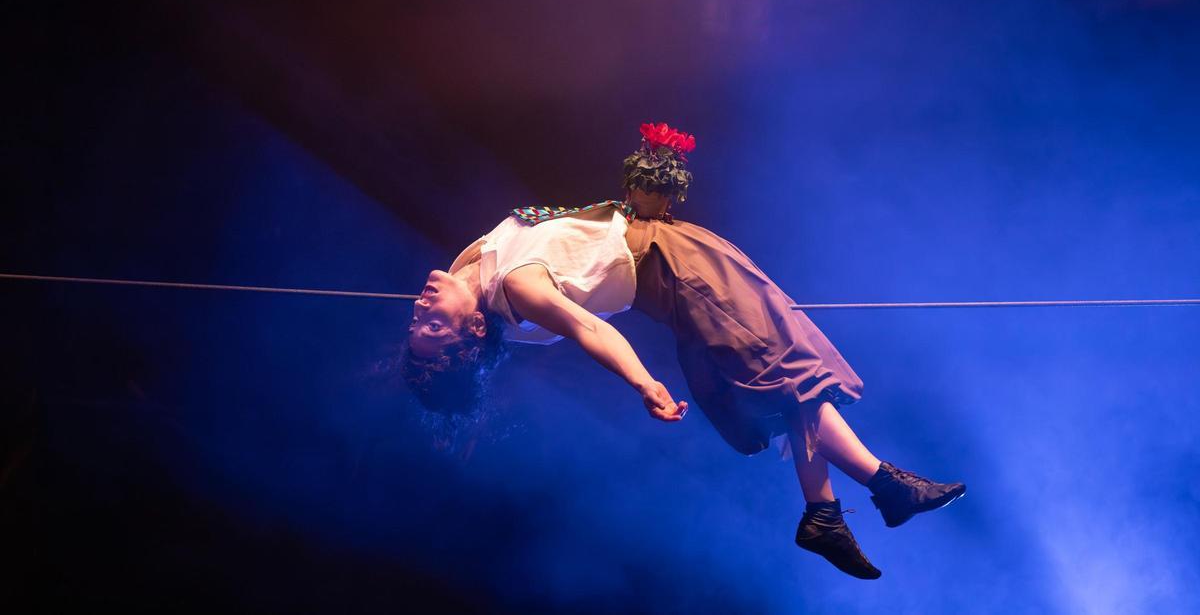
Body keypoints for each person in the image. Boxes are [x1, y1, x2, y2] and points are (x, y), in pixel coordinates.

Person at [402, 123, 965, 579]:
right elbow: (590, 330)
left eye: (416, 322)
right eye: (431, 327)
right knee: (791, 370)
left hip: (675, 258)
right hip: (674, 270)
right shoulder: (517, 290)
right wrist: (643, 382)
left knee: (789, 374)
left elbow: (490, 308)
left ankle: (825, 512)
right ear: (472, 333)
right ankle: (883, 485)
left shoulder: (469, 272)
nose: (420, 308)